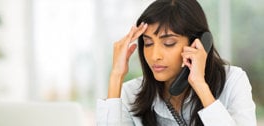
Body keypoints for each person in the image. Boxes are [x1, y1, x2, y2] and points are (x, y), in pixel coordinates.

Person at [96, 0, 256, 126]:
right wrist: (116, 77)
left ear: (198, 43)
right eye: (148, 43)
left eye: (169, 43)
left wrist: (200, 85)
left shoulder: (233, 81)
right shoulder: (130, 93)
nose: (154, 56)